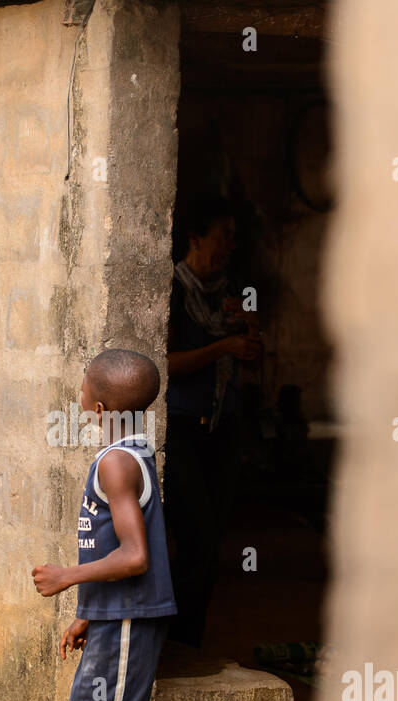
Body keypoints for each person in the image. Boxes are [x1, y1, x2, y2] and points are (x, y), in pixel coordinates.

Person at [32, 349, 176, 701]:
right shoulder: (134, 451)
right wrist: (89, 612)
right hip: (118, 617)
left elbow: (135, 555)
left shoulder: (116, 463)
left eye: (83, 389)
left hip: (131, 621)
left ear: (97, 407)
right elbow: (114, 544)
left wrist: (68, 578)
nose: (79, 397)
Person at [165, 195, 262, 647]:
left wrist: (248, 334)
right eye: (221, 237)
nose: (228, 247)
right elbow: (165, 363)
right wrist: (222, 348)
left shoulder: (233, 290)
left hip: (222, 428)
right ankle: (178, 644)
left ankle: (190, 640)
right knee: (195, 539)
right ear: (195, 238)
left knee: (210, 543)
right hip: (182, 430)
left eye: (233, 240)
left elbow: (254, 358)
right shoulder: (173, 290)